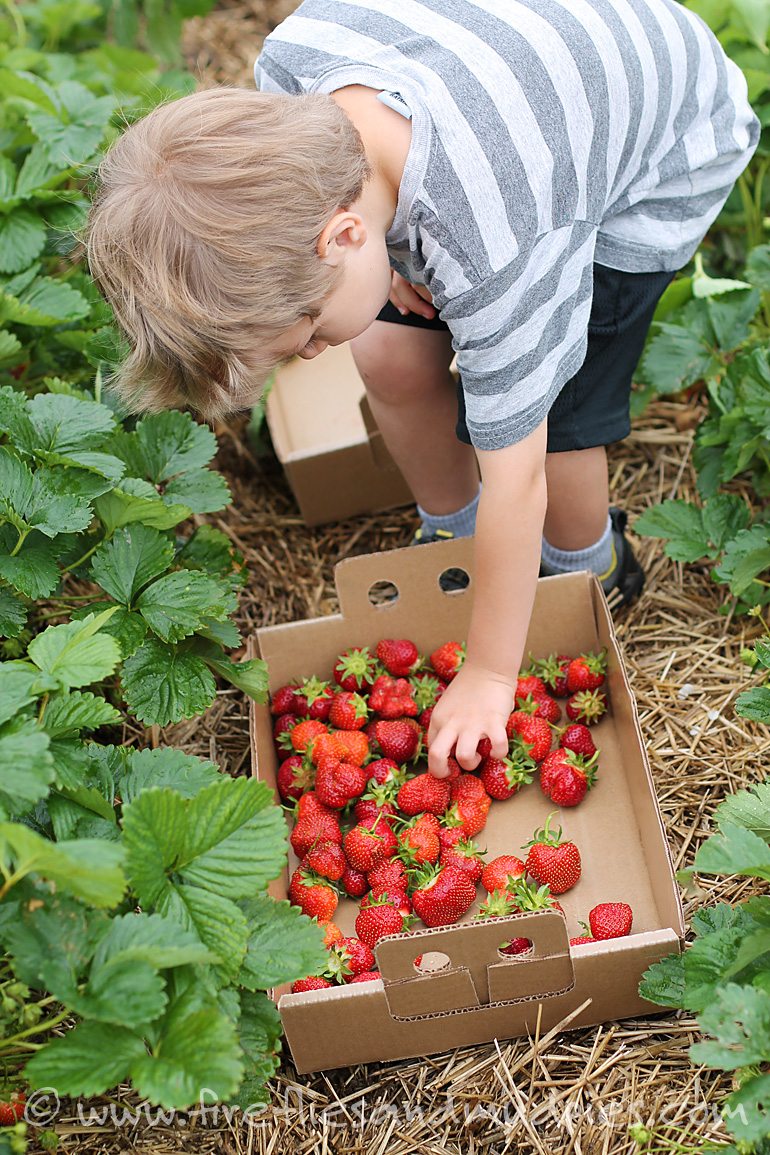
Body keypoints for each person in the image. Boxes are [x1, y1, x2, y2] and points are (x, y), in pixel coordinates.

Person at [86, 0, 758, 779]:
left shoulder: (501, 247)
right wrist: (394, 261)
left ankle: (592, 564)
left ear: (344, 234)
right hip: (506, 99)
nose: (313, 354)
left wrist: (491, 674)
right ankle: (455, 531)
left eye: (308, 336)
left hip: (657, 150)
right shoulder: (292, 79)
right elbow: (367, 268)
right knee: (386, 351)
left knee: (559, 418)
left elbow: (518, 478)